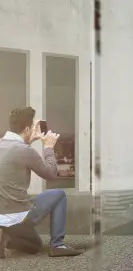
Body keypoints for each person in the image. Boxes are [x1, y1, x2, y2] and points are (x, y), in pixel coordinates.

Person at [0, 107, 83, 257]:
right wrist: (49, 147)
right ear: (27, 129)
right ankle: (58, 245)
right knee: (58, 195)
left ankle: (5, 237)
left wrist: (28, 141)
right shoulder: (25, 151)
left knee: (35, 246)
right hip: (17, 215)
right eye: (32, 127)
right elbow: (51, 175)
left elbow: (16, 156)